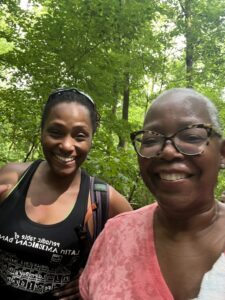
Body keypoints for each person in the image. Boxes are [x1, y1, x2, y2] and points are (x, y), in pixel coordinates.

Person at [79, 88, 225, 300]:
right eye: (150, 140)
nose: (167, 151)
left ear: (222, 154)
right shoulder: (114, 236)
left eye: (192, 136)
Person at [0, 87, 132, 299]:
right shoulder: (11, 178)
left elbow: (134, 263)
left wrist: (93, 278)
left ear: (91, 139)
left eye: (79, 136)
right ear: (42, 131)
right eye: (56, 132)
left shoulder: (103, 199)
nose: (67, 145)